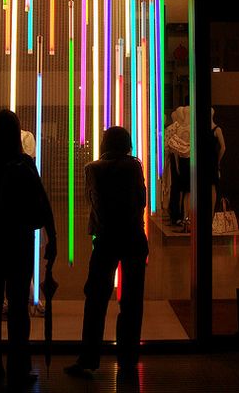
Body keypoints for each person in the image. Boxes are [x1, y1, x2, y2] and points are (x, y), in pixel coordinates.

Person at [0, 110, 57, 387]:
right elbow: (42, 205)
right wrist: (53, 240)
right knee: (19, 306)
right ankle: (18, 369)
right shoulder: (24, 163)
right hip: (19, 241)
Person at [65, 126, 148, 377]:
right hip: (133, 237)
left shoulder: (93, 169)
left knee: (96, 300)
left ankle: (89, 357)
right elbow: (141, 201)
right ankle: (128, 359)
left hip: (106, 239)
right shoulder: (134, 167)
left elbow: (94, 202)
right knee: (132, 302)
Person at [209, 108, 226, 218]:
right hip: (209, 159)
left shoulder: (217, 129)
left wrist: (218, 160)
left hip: (212, 160)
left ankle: (212, 213)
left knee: (212, 186)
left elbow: (223, 147)